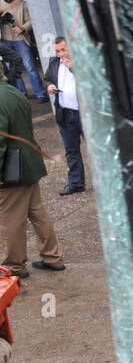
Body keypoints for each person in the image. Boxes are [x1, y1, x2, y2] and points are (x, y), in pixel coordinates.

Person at [0, 66, 61, 278]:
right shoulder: (13, 91)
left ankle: (14, 266)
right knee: (37, 212)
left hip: (10, 168)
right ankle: (52, 257)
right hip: (27, 162)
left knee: (11, 220)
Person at [44, 37, 86, 195]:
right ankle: (76, 183)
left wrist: (74, 68)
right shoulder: (55, 63)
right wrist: (49, 86)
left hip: (83, 113)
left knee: (95, 149)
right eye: (58, 51)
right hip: (65, 112)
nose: (61, 54)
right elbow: (46, 78)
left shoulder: (81, 61)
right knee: (71, 150)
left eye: (63, 50)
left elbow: (91, 82)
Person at [0, 0, 48, 103]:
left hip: (20, 39)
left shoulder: (22, 4)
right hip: (4, 40)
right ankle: (22, 95)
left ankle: (41, 94)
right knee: (13, 69)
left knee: (30, 67)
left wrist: (22, 28)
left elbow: (31, 20)